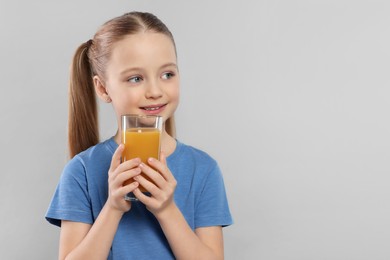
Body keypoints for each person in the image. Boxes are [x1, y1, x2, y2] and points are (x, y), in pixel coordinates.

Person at [46, 11, 233, 260]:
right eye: (135, 78)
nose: (155, 91)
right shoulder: (81, 170)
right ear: (102, 88)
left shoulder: (204, 169)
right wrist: (112, 208)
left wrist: (167, 210)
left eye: (167, 74)